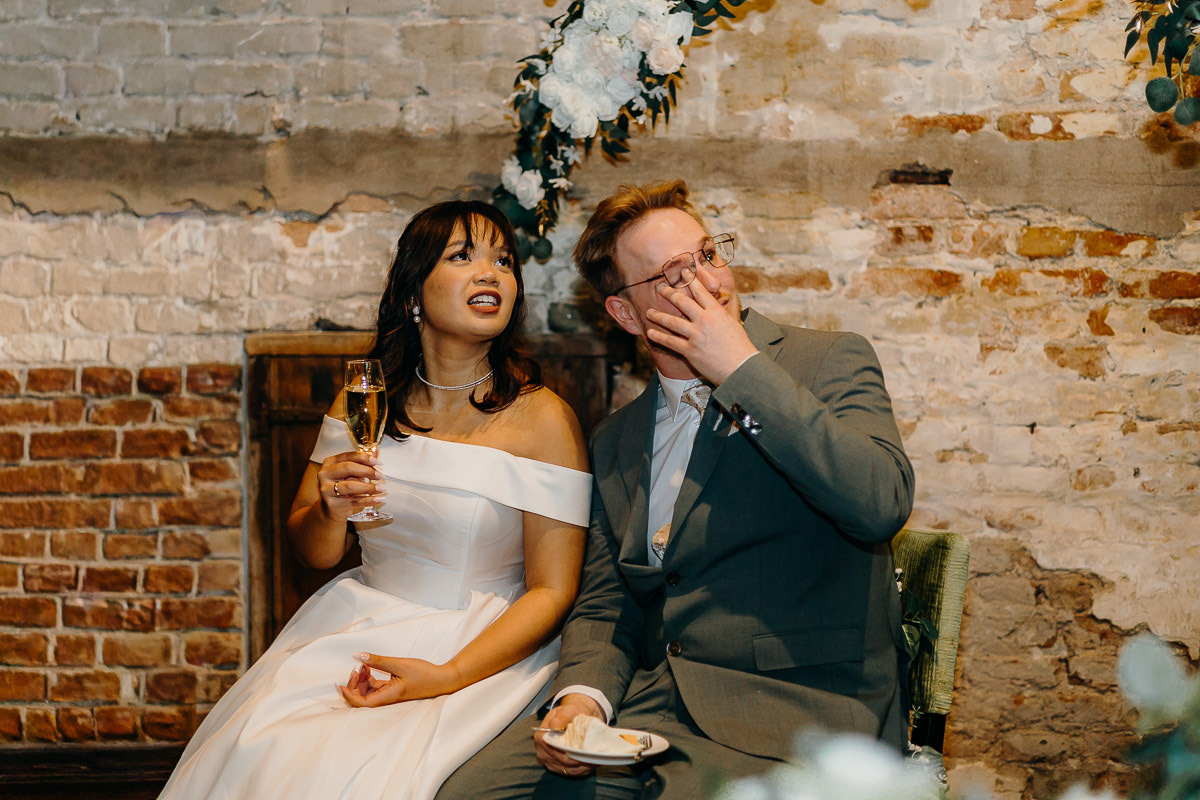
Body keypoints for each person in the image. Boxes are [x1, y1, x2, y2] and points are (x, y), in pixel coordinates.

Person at [436, 179, 915, 800]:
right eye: (672, 275)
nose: (710, 285)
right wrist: (582, 700)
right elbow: (608, 604)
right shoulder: (615, 440)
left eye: (708, 257)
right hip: (654, 712)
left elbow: (879, 504)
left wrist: (740, 370)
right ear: (625, 313)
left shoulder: (828, 362)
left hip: (799, 710)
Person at [158, 200, 591, 800]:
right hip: (360, 619)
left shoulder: (544, 419)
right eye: (462, 257)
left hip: (485, 647)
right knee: (268, 749)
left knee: (362, 776)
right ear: (414, 291)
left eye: (503, 261)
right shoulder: (363, 402)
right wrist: (330, 512)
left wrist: (445, 676)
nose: (491, 273)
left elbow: (553, 589)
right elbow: (311, 552)